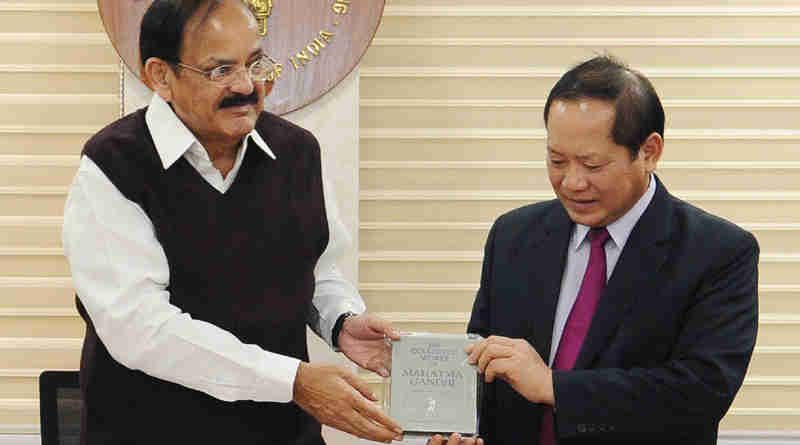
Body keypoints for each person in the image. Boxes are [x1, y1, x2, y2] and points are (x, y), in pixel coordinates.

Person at [62, 1, 403, 444]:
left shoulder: (297, 152)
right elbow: (141, 327)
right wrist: (292, 381)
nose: (247, 86)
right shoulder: (112, 165)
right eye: (220, 70)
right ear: (161, 76)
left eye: (255, 63)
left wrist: (340, 321)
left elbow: (315, 268)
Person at [431, 55, 759, 445]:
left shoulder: (717, 252)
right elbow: (485, 362)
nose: (571, 182)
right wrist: (462, 431)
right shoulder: (513, 236)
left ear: (649, 151)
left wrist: (554, 386)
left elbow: (699, 392)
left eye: (592, 164)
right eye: (556, 160)